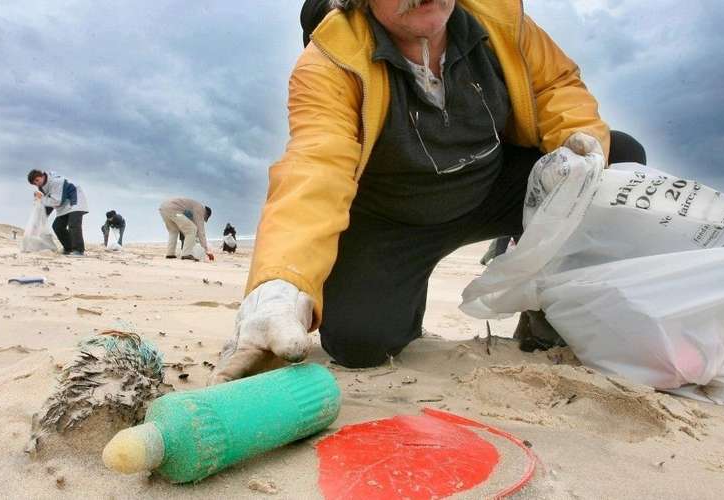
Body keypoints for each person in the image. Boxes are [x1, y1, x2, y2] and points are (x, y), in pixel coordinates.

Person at [211, 0, 648, 383]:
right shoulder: (328, 62)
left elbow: (555, 85)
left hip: (495, 186)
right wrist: (280, 286)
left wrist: (573, 145)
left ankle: (550, 314)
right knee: (360, 343)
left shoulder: (502, 18)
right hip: (394, 220)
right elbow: (314, 166)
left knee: (617, 159)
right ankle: (398, 308)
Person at [27, 169, 89, 256]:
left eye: (37, 180)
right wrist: (41, 219)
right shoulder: (42, 187)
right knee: (57, 226)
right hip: (64, 206)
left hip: (75, 201)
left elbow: (56, 201)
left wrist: (42, 199)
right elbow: (49, 203)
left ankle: (78, 250)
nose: (37, 184)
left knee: (73, 224)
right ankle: (69, 248)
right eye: (34, 183)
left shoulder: (56, 182)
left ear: (42, 176)